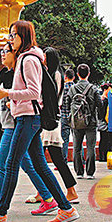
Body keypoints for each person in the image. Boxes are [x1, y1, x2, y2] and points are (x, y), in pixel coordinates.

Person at [0, 20, 79, 222]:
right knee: (39, 165)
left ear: (23, 36)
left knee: (11, 164)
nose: (10, 39)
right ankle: (66, 209)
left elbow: (34, 92)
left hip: (28, 117)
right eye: (10, 35)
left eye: (13, 35)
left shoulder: (28, 59)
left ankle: (0, 213)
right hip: (27, 117)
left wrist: (6, 93)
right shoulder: (28, 57)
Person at [41, 47, 78, 205]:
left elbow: (53, 98)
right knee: (44, 159)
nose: (42, 59)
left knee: (49, 159)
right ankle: (46, 192)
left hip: (50, 120)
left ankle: (69, 191)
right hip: (50, 119)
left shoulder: (55, 74)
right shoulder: (53, 73)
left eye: (44, 57)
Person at [64, 63, 101, 179]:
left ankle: (79, 172)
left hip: (76, 122)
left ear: (78, 74)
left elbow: (67, 103)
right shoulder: (93, 88)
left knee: (77, 147)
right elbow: (100, 104)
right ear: (89, 74)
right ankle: (90, 172)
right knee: (90, 147)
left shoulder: (72, 88)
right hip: (91, 121)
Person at [60, 69, 75, 162]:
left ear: (65, 76)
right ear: (73, 77)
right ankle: (81, 161)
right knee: (77, 139)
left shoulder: (62, 88)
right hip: (75, 117)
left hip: (64, 116)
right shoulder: (76, 88)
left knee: (64, 139)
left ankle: (63, 160)